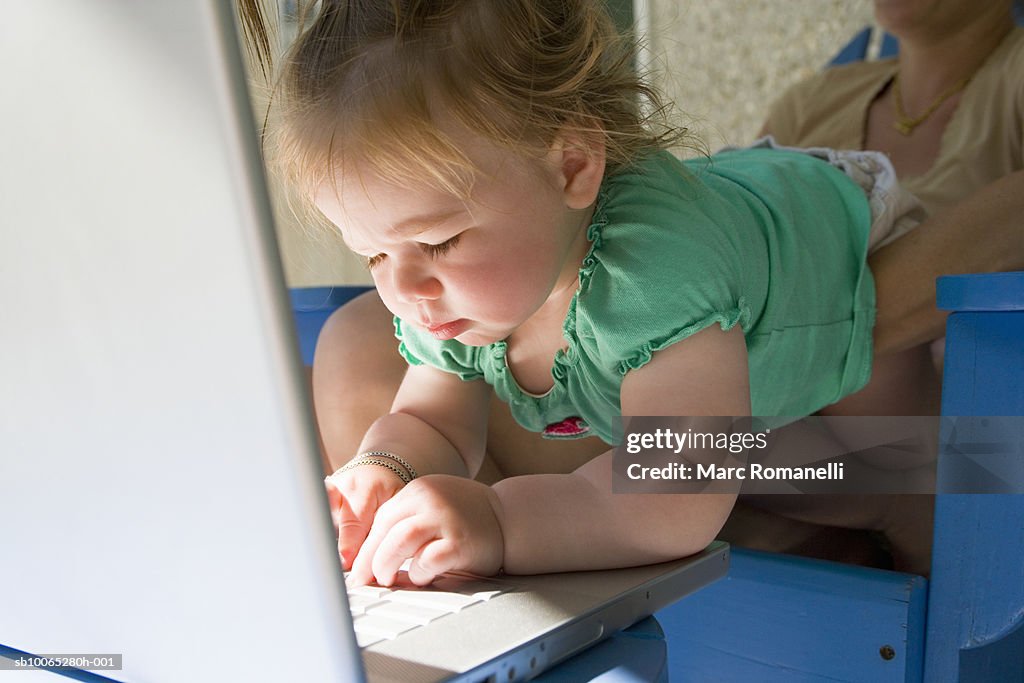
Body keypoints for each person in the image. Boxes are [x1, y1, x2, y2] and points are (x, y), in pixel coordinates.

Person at [250, 0, 945, 586]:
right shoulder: (441, 291)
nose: (403, 287)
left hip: (832, 247)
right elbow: (435, 423)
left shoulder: (660, 276)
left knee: (917, 476)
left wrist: (501, 522)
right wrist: (386, 465)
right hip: (720, 274)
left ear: (573, 167)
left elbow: (674, 496)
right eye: (373, 250)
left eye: (437, 242)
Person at [717, 0, 1024, 569]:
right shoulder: (812, 102)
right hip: (794, 439)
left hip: (971, 452)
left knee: (659, 451)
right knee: (656, 452)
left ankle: (904, 507)